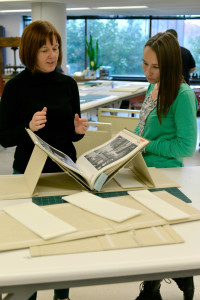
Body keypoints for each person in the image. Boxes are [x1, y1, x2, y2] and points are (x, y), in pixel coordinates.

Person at [0, 20, 88, 300]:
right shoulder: (14, 87)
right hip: (28, 173)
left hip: (64, 173)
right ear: (30, 52)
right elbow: (4, 136)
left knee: (65, 239)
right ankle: (29, 293)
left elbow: (71, 136)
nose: (53, 55)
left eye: (56, 47)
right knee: (30, 240)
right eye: (44, 50)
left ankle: (62, 295)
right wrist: (28, 127)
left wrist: (77, 131)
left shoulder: (67, 84)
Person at [134, 32, 197, 299]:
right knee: (149, 234)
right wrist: (128, 143)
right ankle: (173, 278)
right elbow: (145, 127)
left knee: (154, 234)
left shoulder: (182, 94)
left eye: (155, 66)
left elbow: (185, 146)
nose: (148, 71)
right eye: (145, 63)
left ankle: (152, 289)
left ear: (170, 64)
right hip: (143, 169)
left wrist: (145, 144)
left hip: (166, 174)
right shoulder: (153, 85)